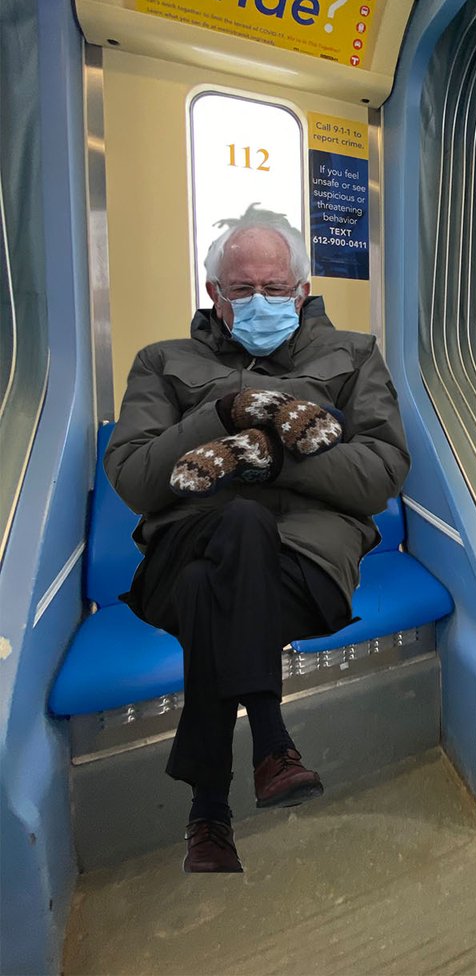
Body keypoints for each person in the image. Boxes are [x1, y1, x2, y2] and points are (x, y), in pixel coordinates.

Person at [105, 204, 410, 874]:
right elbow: (134, 479)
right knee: (232, 532)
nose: (261, 301)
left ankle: (209, 811)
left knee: (205, 588)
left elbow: (380, 476)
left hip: (302, 565)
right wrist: (221, 414)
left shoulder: (352, 355)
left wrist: (268, 454)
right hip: (183, 542)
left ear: (301, 292)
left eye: (276, 288)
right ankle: (271, 742)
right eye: (242, 289)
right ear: (215, 295)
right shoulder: (163, 362)